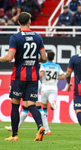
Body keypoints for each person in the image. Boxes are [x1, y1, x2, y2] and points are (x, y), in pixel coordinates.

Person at [0, 12, 47, 141]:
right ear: (30, 22)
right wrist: (33, 60)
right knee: (31, 105)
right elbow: (44, 58)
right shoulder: (38, 37)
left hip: (19, 76)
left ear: (18, 22)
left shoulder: (15, 37)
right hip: (33, 77)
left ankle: (14, 135)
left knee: (15, 105)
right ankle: (40, 127)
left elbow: (9, 57)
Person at [39, 50, 65, 135]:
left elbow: (41, 75)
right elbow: (63, 76)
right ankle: (52, 103)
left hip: (45, 88)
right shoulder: (57, 66)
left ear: (46, 57)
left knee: (44, 108)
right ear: (53, 58)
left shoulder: (43, 65)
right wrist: (56, 78)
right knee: (51, 100)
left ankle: (46, 129)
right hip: (54, 88)